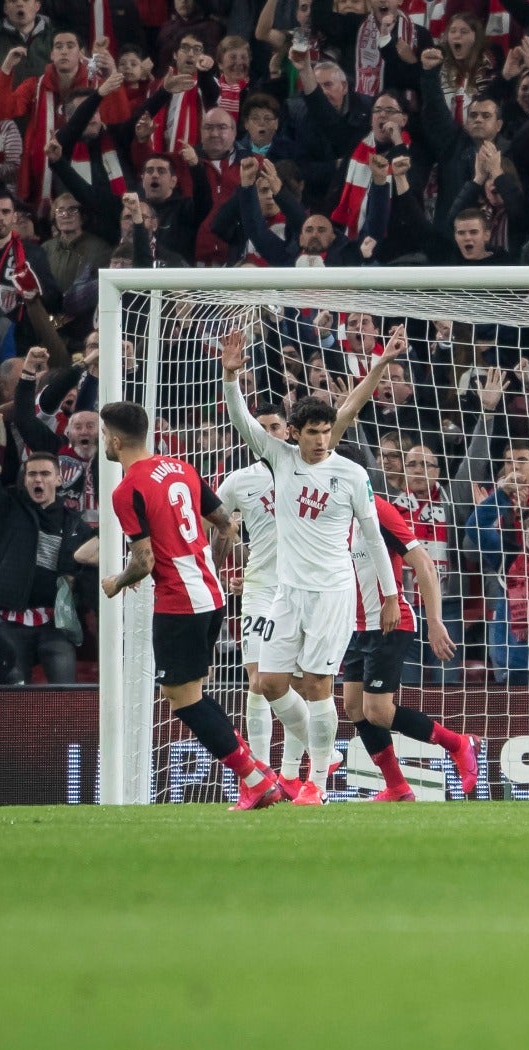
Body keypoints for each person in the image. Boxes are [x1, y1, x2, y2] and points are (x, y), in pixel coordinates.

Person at [219, 327, 401, 807]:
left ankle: (315, 781)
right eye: (313, 433)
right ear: (294, 434)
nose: (322, 441)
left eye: (328, 432)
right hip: (286, 592)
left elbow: (376, 539)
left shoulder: (351, 473)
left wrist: (388, 597)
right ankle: (326, 751)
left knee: (317, 686)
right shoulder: (279, 459)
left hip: (333, 594)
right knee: (268, 683)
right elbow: (243, 422)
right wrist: (231, 378)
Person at [95, 400, 282, 811]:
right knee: (189, 691)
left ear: (113, 438)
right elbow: (227, 523)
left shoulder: (127, 490)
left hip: (179, 602)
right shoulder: (181, 467)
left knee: (182, 699)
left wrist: (115, 582)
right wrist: (211, 564)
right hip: (210, 594)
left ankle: (253, 779)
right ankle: (258, 770)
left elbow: (143, 563)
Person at [333, 441, 468, 802]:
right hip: (354, 627)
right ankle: (397, 787)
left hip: (390, 623)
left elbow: (423, 563)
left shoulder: (378, 511)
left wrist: (434, 621)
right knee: (353, 707)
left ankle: (458, 743)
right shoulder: (330, 516)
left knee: (377, 711)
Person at [0, 408, 93, 685]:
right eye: (32, 474)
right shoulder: (6, 508)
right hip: (10, 623)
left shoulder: (76, 524)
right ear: (24, 480)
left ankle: (70, 731)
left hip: (56, 625)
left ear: (59, 479)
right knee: (9, 700)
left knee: (66, 697)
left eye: (45, 474)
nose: (38, 479)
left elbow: (87, 574)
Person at [216, 401, 288, 768]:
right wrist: (216, 569)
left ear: (288, 431)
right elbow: (219, 528)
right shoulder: (239, 481)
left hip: (303, 591)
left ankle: (298, 770)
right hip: (260, 587)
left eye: (274, 427)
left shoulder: (309, 471)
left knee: (300, 684)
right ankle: (259, 772)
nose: (267, 435)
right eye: (259, 428)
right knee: (258, 681)